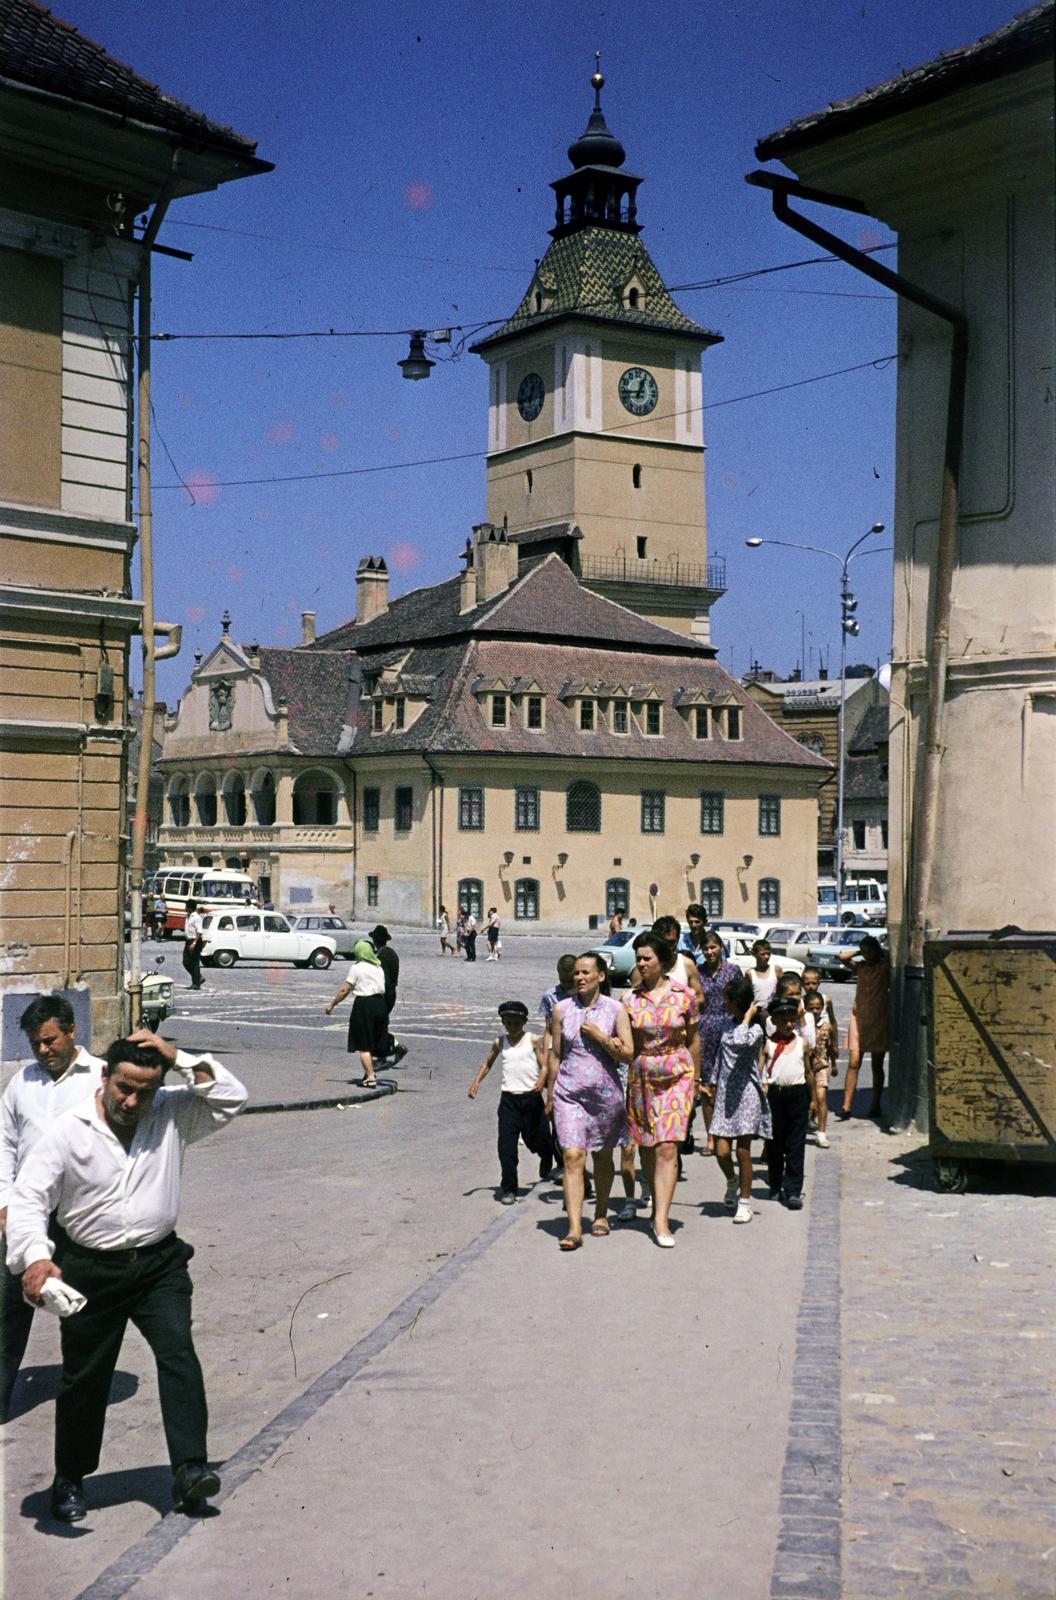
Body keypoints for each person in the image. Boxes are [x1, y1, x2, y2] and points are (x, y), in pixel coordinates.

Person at [6, 1028, 247, 1522]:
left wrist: (179, 1057)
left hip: (159, 1266)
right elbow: (30, 1198)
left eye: (145, 1090)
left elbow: (230, 1097)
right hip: (91, 1270)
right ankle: (70, 1477)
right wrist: (34, 1258)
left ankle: (189, 1469)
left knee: (178, 1353)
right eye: (124, 1088)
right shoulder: (67, 1130)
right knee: (85, 1379)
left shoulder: (172, 1113)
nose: (133, 1100)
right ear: (105, 1077)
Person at [1, 997, 105, 1420]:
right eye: (34, 1043)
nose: (43, 1050)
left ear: (72, 1031)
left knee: (82, 1318)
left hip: (81, 1220)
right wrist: (5, 1202)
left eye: (49, 1040)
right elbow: (4, 1146)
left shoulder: (100, 1078)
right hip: (26, 1218)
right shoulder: (21, 1083)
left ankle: (81, 1404)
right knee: (6, 1312)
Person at [545, 953, 633, 1250]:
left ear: (601, 977)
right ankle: (573, 1228)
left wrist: (601, 1037)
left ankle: (600, 1214)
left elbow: (628, 1054)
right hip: (569, 1094)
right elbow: (555, 1055)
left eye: (586, 973)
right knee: (572, 1157)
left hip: (606, 1096)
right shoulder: (561, 1010)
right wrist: (549, 1092)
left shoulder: (616, 1010)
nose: (579, 978)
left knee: (603, 1157)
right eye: (576, 974)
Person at [623, 932, 700, 1247]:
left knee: (667, 1147)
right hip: (642, 1077)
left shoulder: (685, 996)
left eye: (646, 958)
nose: (641, 964)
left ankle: (661, 1219)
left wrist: (696, 1080)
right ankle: (655, 1198)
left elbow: (694, 1039)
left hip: (677, 1076)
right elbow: (627, 1046)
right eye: (638, 958)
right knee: (648, 1148)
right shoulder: (628, 1000)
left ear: (662, 961)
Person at [468, 1001, 553, 1202]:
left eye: (516, 1023)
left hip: (531, 1098)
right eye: (508, 1023)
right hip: (508, 1101)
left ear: (523, 1022)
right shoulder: (500, 1042)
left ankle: (547, 1154)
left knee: (537, 1139)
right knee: (506, 1146)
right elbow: (488, 1063)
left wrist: (541, 1081)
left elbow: (545, 1066)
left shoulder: (532, 1040)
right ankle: (509, 1188)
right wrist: (476, 1082)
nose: (512, 1027)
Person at [710, 977, 770, 1224]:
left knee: (743, 1150)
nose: (724, 1002)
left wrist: (748, 1017)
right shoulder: (726, 1024)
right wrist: (712, 1081)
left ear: (740, 1003)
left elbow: (738, 1044)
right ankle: (731, 1181)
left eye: (728, 999)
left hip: (746, 1095)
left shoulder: (755, 1030)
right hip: (725, 1094)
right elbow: (722, 1056)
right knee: (721, 1150)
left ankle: (744, 1202)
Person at [763, 997, 816, 1210]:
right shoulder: (766, 1044)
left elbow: (808, 1072)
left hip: (797, 1095)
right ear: (773, 1020)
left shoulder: (801, 1044)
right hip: (775, 1096)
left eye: (791, 1020)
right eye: (783, 1019)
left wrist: (812, 1100)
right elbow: (760, 1072)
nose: (788, 1024)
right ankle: (775, 1184)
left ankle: (793, 1190)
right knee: (775, 1143)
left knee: (796, 1144)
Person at [694, 930, 743, 1151]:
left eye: (713, 947)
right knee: (707, 1085)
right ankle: (711, 1137)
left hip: (728, 1028)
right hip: (705, 1031)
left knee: (729, 1081)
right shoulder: (698, 972)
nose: (709, 952)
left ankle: (729, 1133)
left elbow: (743, 998)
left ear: (721, 947)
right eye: (706, 948)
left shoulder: (733, 971)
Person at [837, 935, 890, 1121]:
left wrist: (878, 950)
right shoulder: (860, 967)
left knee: (877, 1064)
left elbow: (893, 957)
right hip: (858, 1018)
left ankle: (875, 1104)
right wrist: (860, 951)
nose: (867, 955)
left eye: (870, 951)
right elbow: (842, 957)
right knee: (853, 1062)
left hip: (878, 1018)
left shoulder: (884, 968)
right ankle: (846, 1105)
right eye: (864, 952)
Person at [324, 939, 388, 1087]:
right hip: (380, 1004)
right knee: (373, 1041)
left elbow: (345, 990)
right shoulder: (379, 968)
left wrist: (332, 1004)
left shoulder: (357, 968)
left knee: (363, 1044)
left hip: (364, 1005)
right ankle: (369, 1072)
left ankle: (371, 1077)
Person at [369, 925, 407, 1064]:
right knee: (380, 1024)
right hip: (392, 993)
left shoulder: (382, 956)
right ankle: (382, 1054)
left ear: (375, 941)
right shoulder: (391, 953)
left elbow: (383, 978)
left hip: (385, 994)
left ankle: (393, 1048)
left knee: (377, 1025)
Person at [804, 991, 832, 1148]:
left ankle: (821, 1133)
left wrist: (833, 1065)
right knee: (805, 1100)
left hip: (820, 1066)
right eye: (811, 1008)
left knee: (821, 1098)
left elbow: (831, 1047)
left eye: (818, 1008)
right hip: (803, 1068)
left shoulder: (826, 1026)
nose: (815, 1011)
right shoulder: (800, 1025)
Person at [748, 938, 781, 1011]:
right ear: (754, 954)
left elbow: (783, 989)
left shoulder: (776, 970)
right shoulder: (750, 973)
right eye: (763, 954)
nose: (766, 957)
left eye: (768, 954)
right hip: (757, 1011)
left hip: (773, 1010)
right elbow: (747, 995)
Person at [678, 902, 711, 969]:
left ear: (705, 922)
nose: (693, 925)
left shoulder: (714, 942)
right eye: (690, 922)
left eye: (697, 922)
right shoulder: (681, 941)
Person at [182, 900, 204, 990]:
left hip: (194, 941)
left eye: (186, 906)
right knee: (186, 962)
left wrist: (194, 943)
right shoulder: (188, 916)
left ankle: (196, 984)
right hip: (188, 941)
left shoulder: (196, 917)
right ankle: (198, 977)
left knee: (194, 963)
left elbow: (199, 931)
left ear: (190, 907)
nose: (185, 908)